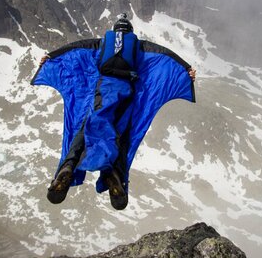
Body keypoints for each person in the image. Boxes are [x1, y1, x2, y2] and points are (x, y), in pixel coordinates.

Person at [32, 13, 196, 210]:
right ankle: (115, 174)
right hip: (126, 92)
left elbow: (75, 49)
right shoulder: (140, 47)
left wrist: (50, 58)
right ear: (130, 31)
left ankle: (68, 166)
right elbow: (165, 56)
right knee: (121, 133)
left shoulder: (101, 44)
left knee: (88, 126)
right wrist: (186, 70)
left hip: (102, 89)